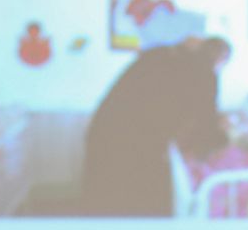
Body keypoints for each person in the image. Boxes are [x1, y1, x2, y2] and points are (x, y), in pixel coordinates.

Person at [80, 36, 233, 216]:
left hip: (105, 129)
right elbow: (205, 126)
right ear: (220, 60)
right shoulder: (203, 75)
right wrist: (223, 135)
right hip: (133, 142)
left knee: (103, 197)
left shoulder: (160, 55)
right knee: (132, 201)